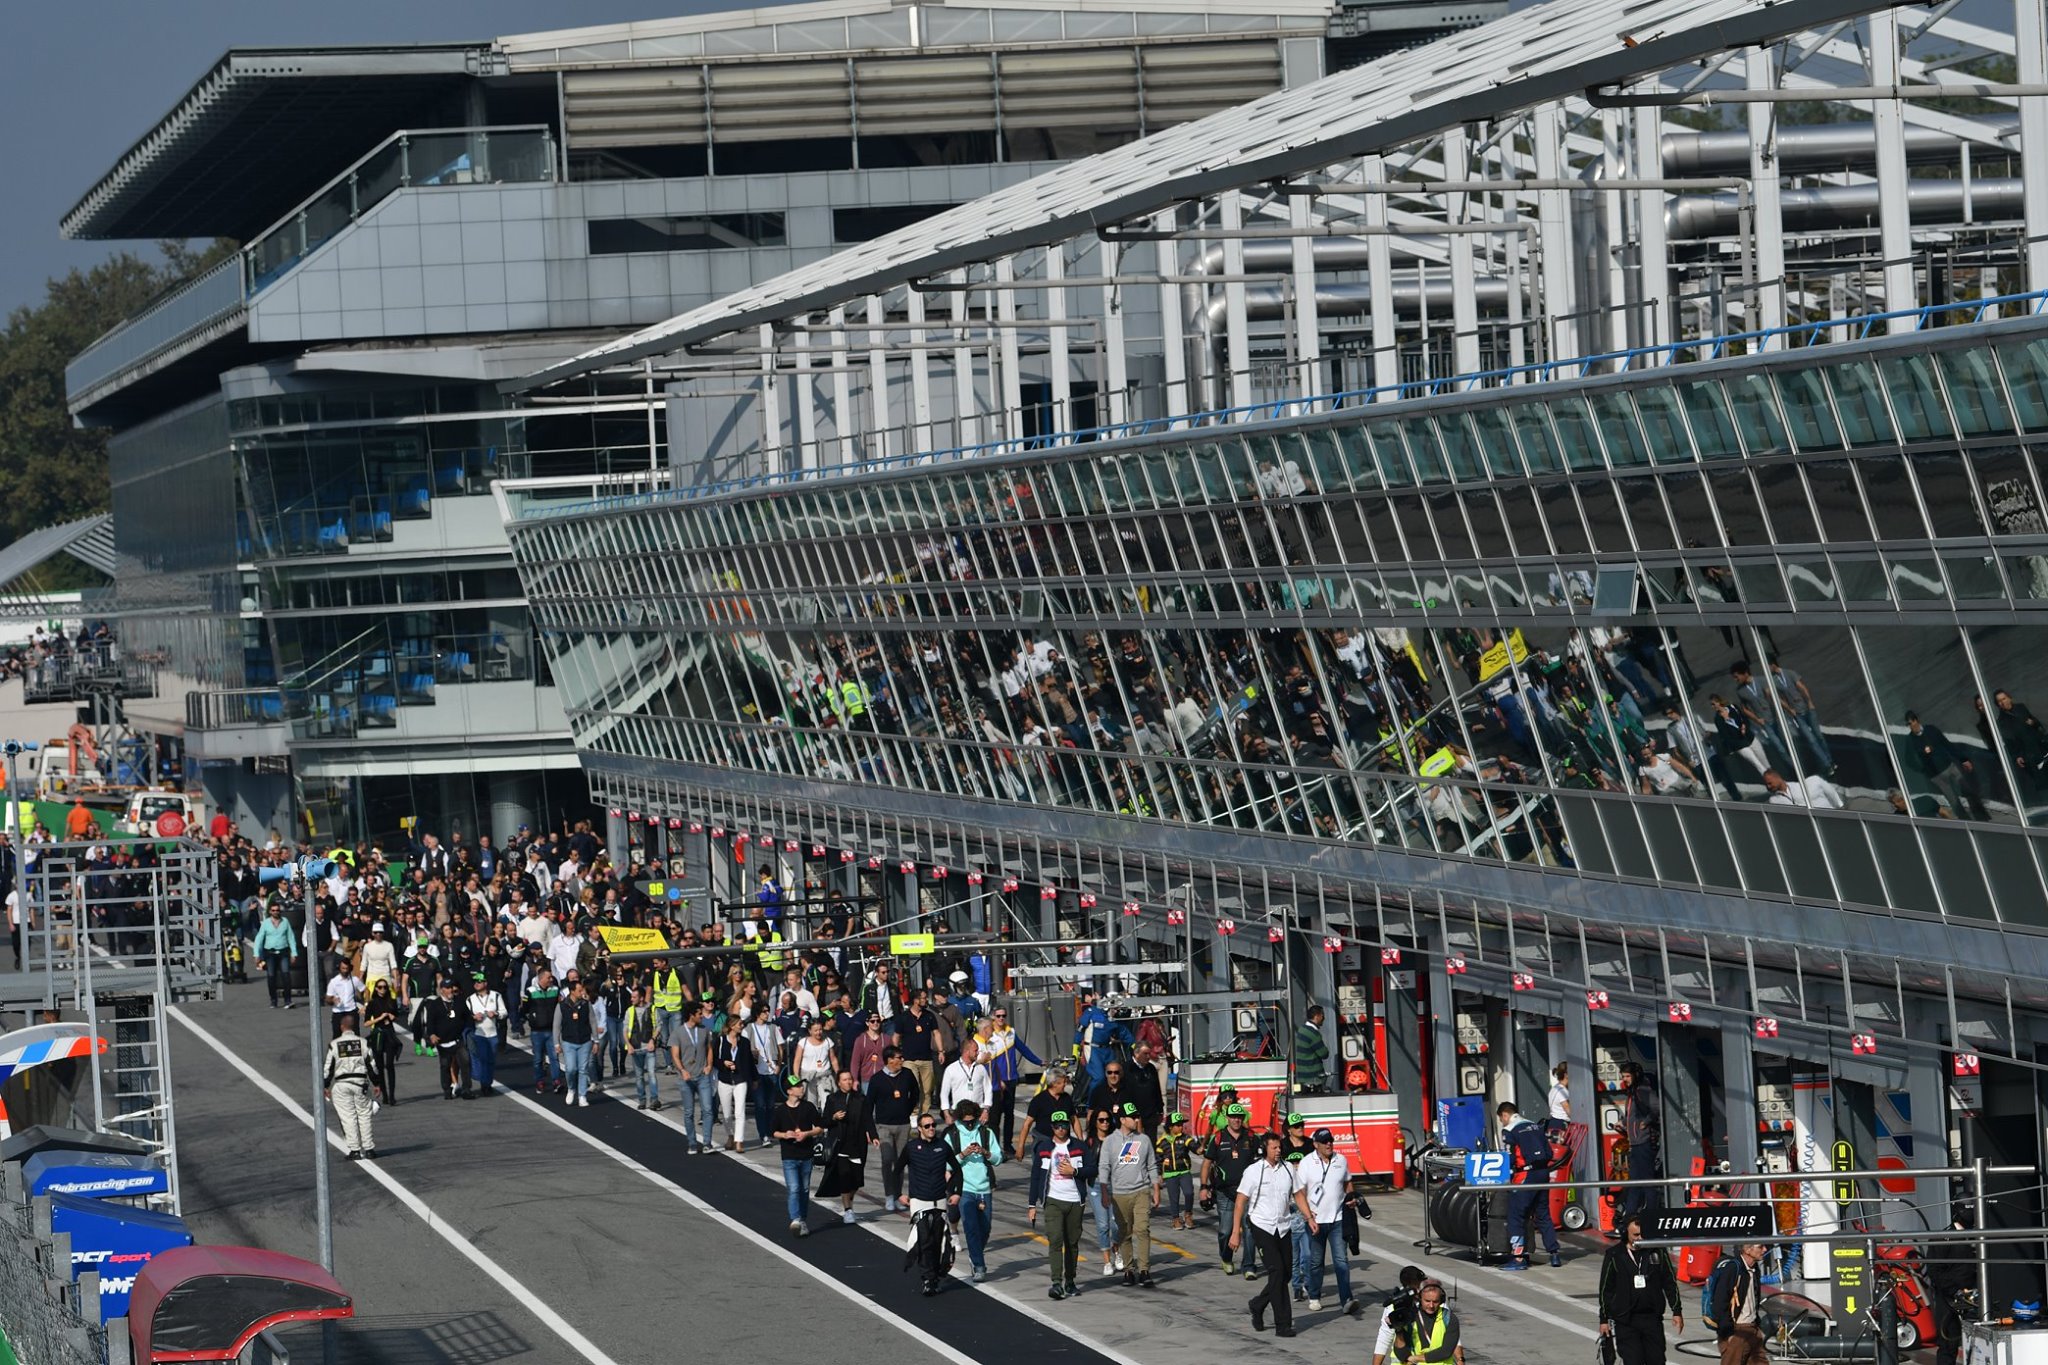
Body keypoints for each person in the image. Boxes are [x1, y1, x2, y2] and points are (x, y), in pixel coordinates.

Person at [1232, 1132, 1298, 1338]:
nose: (1278, 1151)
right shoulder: (1253, 1171)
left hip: (1283, 1226)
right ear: (1264, 1149)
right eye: (1274, 1148)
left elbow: (1298, 1194)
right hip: (1262, 1226)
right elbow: (1240, 1201)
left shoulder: (1288, 1169)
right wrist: (1236, 1232)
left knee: (1285, 1273)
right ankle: (1283, 1324)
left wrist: (1309, 1217)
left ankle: (1258, 1304)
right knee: (1276, 1271)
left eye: (1280, 1147)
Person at [1027, 1108, 1096, 1300]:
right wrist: (1032, 1204)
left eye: (1064, 1125)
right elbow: (1035, 1177)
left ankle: (1070, 1281)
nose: (1061, 1129)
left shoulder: (1080, 1146)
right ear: (1052, 1128)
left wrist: (1074, 1171)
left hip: (1075, 1201)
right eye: (1057, 1126)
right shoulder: (1043, 1147)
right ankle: (1056, 1283)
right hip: (1053, 1201)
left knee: (1072, 1243)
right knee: (1055, 1240)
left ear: (1069, 1126)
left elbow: (1092, 1169)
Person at [895, 1111, 966, 1294]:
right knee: (924, 1241)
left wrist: (956, 1192)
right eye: (927, 1126)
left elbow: (957, 1170)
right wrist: (898, 1194)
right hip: (919, 1201)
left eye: (933, 1125)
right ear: (919, 1129)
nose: (931, 1128)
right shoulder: (911, 1147)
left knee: (937, 1241)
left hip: (939, 1200)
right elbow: (897, 1170)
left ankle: (935, 1275)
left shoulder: (943, 1146)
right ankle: (927, 1279)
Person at [1598, 1214, 1683, 1365]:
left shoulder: (1657, 1252)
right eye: (1636, 1235)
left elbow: (1669, 1282)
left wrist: (1676, 1311)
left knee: (1656, 1360)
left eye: (1643, 1234)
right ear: (1626, 1233)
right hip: (1626, 1320)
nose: (1640, 1238)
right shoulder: (1615, 1255)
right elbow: (1606, 1288)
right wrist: (1604, 1320)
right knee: (1633, 1360)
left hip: (1652, 1318)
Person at [1298, 1126, 1362, 1314]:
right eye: (1325, 1141)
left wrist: (1351, 1198)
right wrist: (1308, 1215)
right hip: (1315, 1221)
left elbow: (1347, 1182)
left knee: (1341, 1261)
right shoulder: (1306, 1163)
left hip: (1338, 1219)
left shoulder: (1341, 1160)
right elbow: (1300, 1191)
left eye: (1331, 1141)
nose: (1329, 1144)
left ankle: (1346, 1300)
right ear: (1316, 1144)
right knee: (1316, 1262)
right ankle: (1315, 1295)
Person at [1102, 1100, 1161, 1289]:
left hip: (1141, 1191)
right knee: (1125, 1233)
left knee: (1142, 1230)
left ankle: (1144, 1269)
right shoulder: (1110, 1141)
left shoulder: (1143, 1140)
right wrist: (1104, 1191)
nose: (1136, 1119)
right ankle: (1128, 1270)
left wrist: (1156, 1189)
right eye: (1133, 1117)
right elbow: (1104, 1167)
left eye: (1137, 1116)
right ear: (1122, 1119)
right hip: (1119, 1194)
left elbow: (1152, 1165)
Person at [1497, 1101, 1562, 1269]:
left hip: (1525, 1174)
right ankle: (1554, 1254)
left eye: (1501, 1119)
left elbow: (1510, 1156)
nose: (1502, 1122)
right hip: (1543, 1173)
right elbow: (1548, 1152)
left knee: (1515, 1215)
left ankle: (1518, 1258)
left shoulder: (1510, 1130)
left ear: (1505, 1115)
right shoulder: (1534, 1126)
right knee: (1543, 1214)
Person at [1202, 1101, 1263, 1277]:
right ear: (1227, 1118)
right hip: (1224, 1192)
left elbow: (1262, 1161)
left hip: (1247, 1192)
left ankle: (1249, 1266)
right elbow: (1206, 1164)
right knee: (1225, 1231)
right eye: (1233, 1117)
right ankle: (1226, 1257)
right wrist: (1204, 1187)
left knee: (1249, 1229)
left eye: (1239, 1117)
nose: (1236, 1120)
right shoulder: (1218, 1138)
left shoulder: (1252, 1137)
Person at [946, 1098, 1003, 1281]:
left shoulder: (986, 1133)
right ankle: (979, 1265)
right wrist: (964, 1154)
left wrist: (984, 1152)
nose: (970, 1124)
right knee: (970, 1227)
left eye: (973, 1120)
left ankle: (975, 1253)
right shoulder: (952, 1135)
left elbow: (998, 1158)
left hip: (984, 1188)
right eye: (966, 1121)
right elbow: (946, 1163)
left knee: (985, 1229)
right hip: (964, 1188)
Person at [817, 1069, 875, 1225]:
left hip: (858, 1144)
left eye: (850, 1079)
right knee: (844, 1176)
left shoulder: (861, 1099)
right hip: (840, 1145)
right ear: (838, 1082)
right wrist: (834, 1117)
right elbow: (823, 1122)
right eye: (844, 1079)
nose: (848, 1082)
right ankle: (848, 1209)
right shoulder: (832, 1099)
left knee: (856, 1180)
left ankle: (849, 1201)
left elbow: (868, 1119)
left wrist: (874, 1136)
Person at [980, 1005, 1043, 1148]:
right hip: (997, 1082)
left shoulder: (1011, 1033)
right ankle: (993, 1146)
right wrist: (997, 1079)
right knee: (995, 1116)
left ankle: (1007, 1145)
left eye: (1004, 1016)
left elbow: (1024, 1049)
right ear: (993, 1017)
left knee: (1009, 1115)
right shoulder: (990, 1035)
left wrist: (1039, 1062)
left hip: (1011, 1079)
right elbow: (990, 1060)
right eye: (998, 1016)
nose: (1001, 1018)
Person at [868, 1046, 922, 1212]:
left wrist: (908, 1109)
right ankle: (889, 1195)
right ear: (890, 1060)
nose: (902, 1060)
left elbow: (916, 1093)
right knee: (887, 1159)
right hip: (884, 1125)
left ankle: (898, 1194)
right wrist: (871, 1131)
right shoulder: (877, 1079)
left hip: (903, 1125)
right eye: (899, 1057)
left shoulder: (907, 1075)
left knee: (900, 1162)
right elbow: (868, 1106)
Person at [772, 1074, 826, 1237]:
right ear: (789, 1091)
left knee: (804, 1189)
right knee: (794, 1188)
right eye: (798, 1086)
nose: (801, 1088)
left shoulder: (808, 1107)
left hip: (806, 1154)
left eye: (802, 1086)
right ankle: (795, 1219)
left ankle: (802, 1219)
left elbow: (820, 1127)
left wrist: (807, 1133)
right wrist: (785, 1135)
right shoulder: (780, 1110)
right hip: (789, 1155)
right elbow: (774, 1131)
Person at [322, 1012, 379, 1160]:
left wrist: (325, 1085)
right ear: (354, 1027)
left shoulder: (334, 1045)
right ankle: (369, 1149)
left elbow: (328, 1068)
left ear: (342, 1027)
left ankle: (354, 1150)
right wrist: (377, 1083)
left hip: (342, 1084)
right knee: (364, 1115)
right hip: (360, 1083)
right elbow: (372, 1065)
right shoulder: (363, 1043)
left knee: (348, 1117)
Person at [1924, 1209, 1976, 1365]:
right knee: (1948, 1343)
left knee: (1976, 1341)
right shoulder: (1944, 1237)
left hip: (1974, 1297)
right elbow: (1934, 1271)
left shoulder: (1975, 1235)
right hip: (1949, 1299)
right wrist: (1954, 1291)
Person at [1705, 1242, 1768, 1365]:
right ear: (1748, 1250)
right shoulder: (1732, 1269)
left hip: (1753, 1329)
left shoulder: (1754, 1269)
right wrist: (1728, 1334)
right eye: (1761, 1247)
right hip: (1737, 1331)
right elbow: (1719, 1303)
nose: (1765, 1249)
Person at [1614, 1062, 1661, 1225]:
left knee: (1646, 1182)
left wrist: (1646, 1123)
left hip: (1643, 1141)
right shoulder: (1633, 1092)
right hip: (1636, 1141)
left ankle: (1651, 1217)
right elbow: (1633, 1116)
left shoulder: (1642, 1090)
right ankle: (1629, 1220)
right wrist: (1624, 1124)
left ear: (1635, 1075)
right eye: (1623, 1077)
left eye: (1627, 1076)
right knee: (1635, 1182)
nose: (1624, 1080)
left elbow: (1656, 1108)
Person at [671, 999, 716, 1152]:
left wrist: (709, 1065)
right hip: (686, 1078)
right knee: (689, 1112)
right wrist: (682, 1070)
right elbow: (675, 1055)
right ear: (691, 1015)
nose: (702, 1016)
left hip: (702, 1075)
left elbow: (709, 1048)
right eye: (699, 1014)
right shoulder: (678, 1032)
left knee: (708, 1109)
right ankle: (691, 1142)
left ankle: (707, 1143)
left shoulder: (703, 1030)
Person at [419, 977, 470, 1100]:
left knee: (465, 1062)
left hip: (458, 1040)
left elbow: (467, 1017)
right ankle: (447, 1089)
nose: (451, 990)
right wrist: (431, 1035)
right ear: (442, 990)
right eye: (447, 988)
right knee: (445, 1065)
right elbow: (430, 1023)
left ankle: (467, 1089)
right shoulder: (435, 1005)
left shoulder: (459, 1001)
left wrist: (470, 1026)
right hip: (443, 1042)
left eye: (452, 987)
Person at [712, 1011, 755, 1148]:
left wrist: (754, 1078)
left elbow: (749, 1061)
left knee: (740, 1111)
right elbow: (713, 1059)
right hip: (724, 1079)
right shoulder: (720, 1041)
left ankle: (739, 1141)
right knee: (726, 1113)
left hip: (740, 1079)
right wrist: (723, 1063)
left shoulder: (745, 1042)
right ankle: (730, 1135)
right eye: (739, 1024)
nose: (741, 1026)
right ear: (731, 1026)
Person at [1398, 1277, 1465, 1364]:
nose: (1431, 1305)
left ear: (1441, 1300)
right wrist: (1398, 1331)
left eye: (1435, 1301)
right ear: (1419, 1298)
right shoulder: (1410, 1318)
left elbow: (1446, 1352)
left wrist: (1415, 1358)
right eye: (1427, 1301)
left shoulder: (1450, 1318)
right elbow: (1400, 1353)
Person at [555, 978, 598, 1107]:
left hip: (585, 1040)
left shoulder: (586, 1004)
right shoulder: (562, 1006)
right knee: (571, 1068)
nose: (582, 992)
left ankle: (582, 1095)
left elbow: (593, 1021)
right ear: (572, 991)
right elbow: (556, 1025)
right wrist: (556, 1043)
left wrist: (596, 1040)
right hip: (568, 1041)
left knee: (583, 1069)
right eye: (579, 990)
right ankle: (571, 1088)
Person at [1373, 1265, 1428, 1365]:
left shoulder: (1432, 1300)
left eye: (1421, 1285)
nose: (1419, 1290)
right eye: (1417, 1286)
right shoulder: (1394, 1305)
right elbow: (1384, 1337)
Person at [1018, 1066, 1077, 1158]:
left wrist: (1081, 1141)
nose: (1065, 1084)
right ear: (1054, 1084)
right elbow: (1027, 1124)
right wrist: (1020, 1147)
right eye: (1062, 1082)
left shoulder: (1067, 1098)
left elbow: (1074, 1120)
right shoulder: (1038, 1100)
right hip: (1043, 1142)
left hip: (1064, 1143)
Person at [522, 967, 564, 1095]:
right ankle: (539, 1081)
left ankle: (556, 1081)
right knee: (538, 1059)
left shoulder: (555, 990)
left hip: (552, 1030)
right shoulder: (530, 991)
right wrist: (531, 1019)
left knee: (554, 1058)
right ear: (541, 979)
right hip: (537, 1031)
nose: (551, 979)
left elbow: (560, 1005)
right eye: (549, 978)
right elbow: (524, 1008)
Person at [362, 978, 402, 1104]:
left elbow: (396, 1016)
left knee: (389, 1065)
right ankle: (384, 1094)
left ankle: (392, 1095)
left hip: (389, 1033)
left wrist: (392, 1017)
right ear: (376, 989)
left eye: (385, 987)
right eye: (380, 987)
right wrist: (379, 1018)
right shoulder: (372, 1003)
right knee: (379, 1065)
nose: (382, 989)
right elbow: (366, 1023)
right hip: (378, 1034)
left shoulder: (392, 1001)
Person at [466, 972, 507, 1094]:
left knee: (491, 1060)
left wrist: (496, 1014)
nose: (477, 984)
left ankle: (487, 1081)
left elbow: (504, 1012)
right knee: (483, 1058)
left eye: (479, 981)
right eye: (475, 982)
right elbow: (466, 1016)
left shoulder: (496, 996)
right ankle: (485, 1085)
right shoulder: (470, 999)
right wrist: (474, 1017)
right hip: (479, 1033)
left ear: (485, 983)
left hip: (493, 1033)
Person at [624, 984, 661, 1110]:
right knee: (639, 1076)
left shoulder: (652, 1009)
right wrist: (628, 1045)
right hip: (635, 1047)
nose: (631, 999)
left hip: (648, 1047)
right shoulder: (630, 1011)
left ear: (641, 998)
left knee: (651, 1073)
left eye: (634, 997)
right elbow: (625, 1030)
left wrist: (652, 1040)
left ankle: (654, 1099)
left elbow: (658, 1026)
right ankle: (642, 1100)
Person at [1159, 1111, 1197, 1231]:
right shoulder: (1162, 1141)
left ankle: (1188, 1215)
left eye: (1182, 1124)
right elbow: (1157, 1159)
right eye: (1178, 1125)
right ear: (1170, 1127)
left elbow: (1194, 1147)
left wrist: (1200, 1149)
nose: (1181, 1127)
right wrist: (1160, 1174)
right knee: (1174, 1197)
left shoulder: (1186, 1138)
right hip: (1170, 1174)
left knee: (1189, 1193)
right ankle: (1175, 1218)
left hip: (1184, 1171)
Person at [255, 903, 298, 1008]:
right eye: (273, 910)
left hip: (283, 952)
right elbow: (259, 939)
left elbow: (291, 938)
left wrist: (294, 953)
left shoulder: (285, 922)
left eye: (277, 910)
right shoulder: (266, 923)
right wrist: (256, 954)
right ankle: (273, 1000)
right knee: (271, 977)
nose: (275, 912)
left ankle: (288, 1000)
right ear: (270, 912)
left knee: (286, 975)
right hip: (270, 953)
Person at [939, 1037, 991, 1119]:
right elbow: (944, 1093)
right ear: (967, 1051)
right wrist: (946, 1114)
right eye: (975, 1050)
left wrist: (986, 1110)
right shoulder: (951, 1069)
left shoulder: (981, 1068)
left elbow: (988, 1089)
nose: (978, 1053)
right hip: (959, 1112)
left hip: (978, 1112)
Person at [1293, 1003, 1333, 1093]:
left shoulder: (1302, 1029)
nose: (1324, 1018)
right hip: (1313, 1079)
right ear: (1317, 1016)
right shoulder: (1313, 1034)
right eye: (1322, 1015)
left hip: (1302, 1077)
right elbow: (1324, 1054)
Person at [324, 958, 363, 1038]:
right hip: (338, 1012)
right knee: (337, 1037)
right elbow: (327, 999)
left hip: (351, 1011)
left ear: (350, 969)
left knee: (355, 1036)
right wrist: (332, 1000)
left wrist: (365, 1004)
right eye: (343, 968)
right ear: (339, 968)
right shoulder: (334, 982)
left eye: (347, 969)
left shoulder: (355, 980)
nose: (345, 971)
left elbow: (366, 990)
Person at [1546, 1062, 1571, 1133]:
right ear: (1566, 1074)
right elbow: (1569, 1111)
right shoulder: (1563, 1091)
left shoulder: (1554, 1089)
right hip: (1561, 1125)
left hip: (1553, 1123)